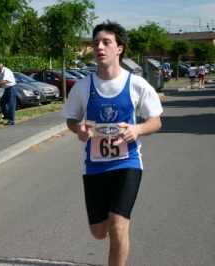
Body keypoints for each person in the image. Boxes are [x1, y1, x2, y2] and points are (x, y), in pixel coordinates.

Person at [61, 21, 163, 266]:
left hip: (127, 163)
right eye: (96, 42)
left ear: (120, 48)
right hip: (94, 166)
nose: (99, 47)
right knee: (99, 232)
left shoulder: (136, 84)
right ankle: (113, 223)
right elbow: (72, 119)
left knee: (118, 228)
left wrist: (138, 128)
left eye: (106, 42)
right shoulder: (84, 86)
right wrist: (79, 129)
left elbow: (155, 121)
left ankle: (120, 227)